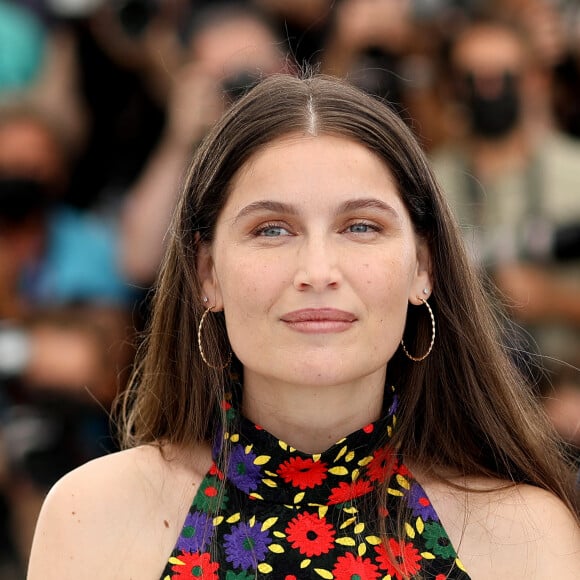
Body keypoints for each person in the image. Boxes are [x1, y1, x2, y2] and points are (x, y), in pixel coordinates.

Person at [27, 74, 579, 579]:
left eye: (360, 226)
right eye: (272, 230)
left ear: (423, 266)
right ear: (208, 273)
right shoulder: (92, 517)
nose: (317, 272)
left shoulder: (524, 537)